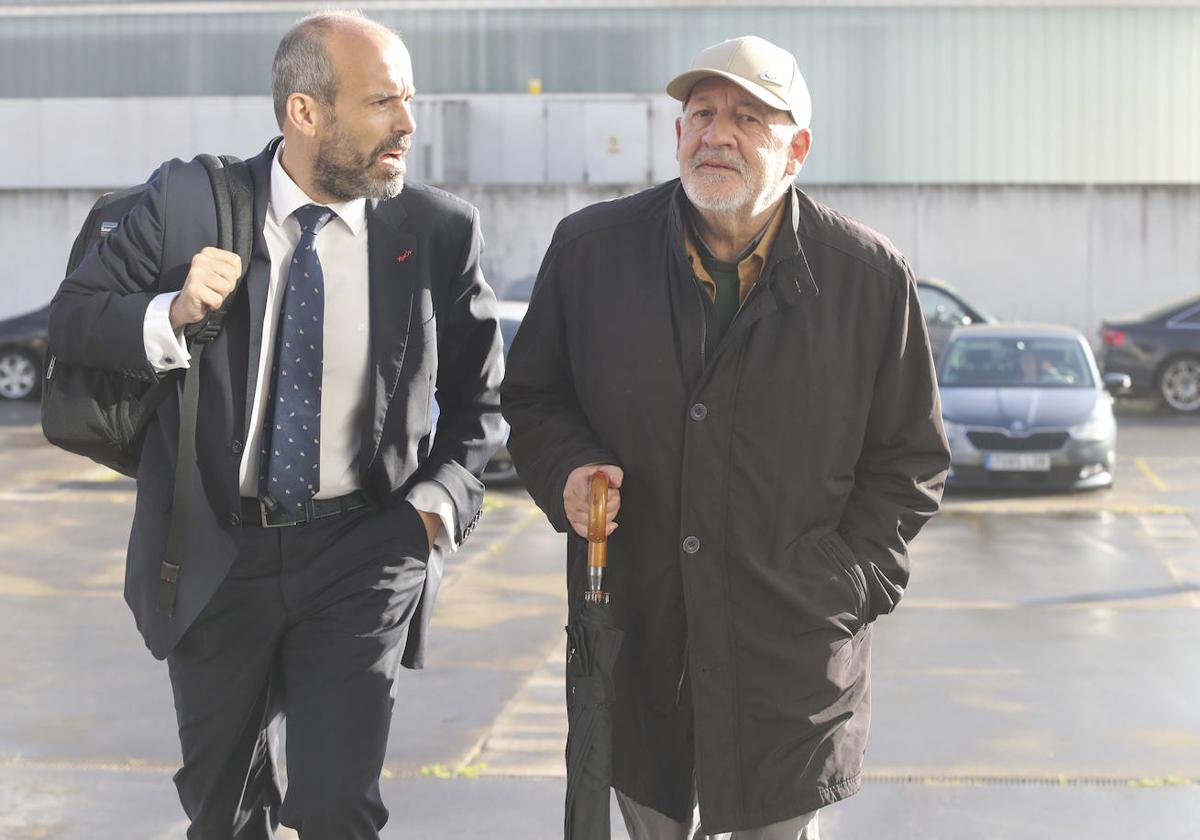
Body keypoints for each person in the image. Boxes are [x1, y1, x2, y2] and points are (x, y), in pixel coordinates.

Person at [48, 11, 505, 838]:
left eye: (410, 100)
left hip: (364, 549)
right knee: (223, 814)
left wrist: (435, 505)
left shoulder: (436, 231)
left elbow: (484, 402)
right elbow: (73, 320)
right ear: (305, 113)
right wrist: (170, 311)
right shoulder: (185, 203)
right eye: (381, 104)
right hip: (217, 548)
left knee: (339, 807)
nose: (407, 124)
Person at [502, 35, 951, 840]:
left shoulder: (870, 280)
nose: (718, 133)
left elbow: (910, 462)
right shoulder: (591, 251)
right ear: (677, 134)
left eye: (749, 116)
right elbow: (535, 396)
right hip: (638, 646)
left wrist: (843, 588)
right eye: (701, 113)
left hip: (792, 663)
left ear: (797, 149)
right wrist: (565, 468)